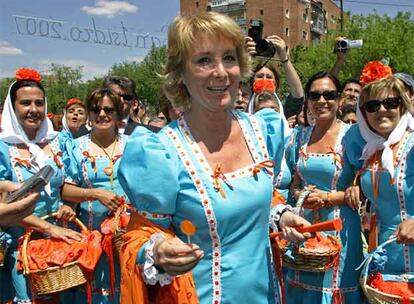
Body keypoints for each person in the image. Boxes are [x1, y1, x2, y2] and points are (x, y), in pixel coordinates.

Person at [118, 12, 310, 304]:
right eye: (204, 60)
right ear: (181, 73)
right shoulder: (162, 151)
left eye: (229, 58)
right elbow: (139, 235)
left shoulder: (263, 131)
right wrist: (156, 253)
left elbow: (259, 197)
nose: (220, 71)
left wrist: (280, 216)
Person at [0, 68, 81, 303]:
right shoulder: (4, 149)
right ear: (12, 107)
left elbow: (67, 185)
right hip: (23, 245)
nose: (33, 110)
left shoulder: (59, 141)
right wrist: (48, 228)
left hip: (62, 240)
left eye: (39, 102)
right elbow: (5, 208)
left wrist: (69, 206)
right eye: (25, 103)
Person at [287, 71, 364, 303]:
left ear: (340, 100)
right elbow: (294, 182)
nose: (322, 101)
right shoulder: (298, 137)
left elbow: (364, 188)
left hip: (341, 227)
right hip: (306, 225)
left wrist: (330, 197)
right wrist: (301, 195)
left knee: (337, 288)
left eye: (329, 95)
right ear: (308, 101)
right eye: (315, 95)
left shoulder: (354, 136)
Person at [61, 88, 129, 304]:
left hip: (126, 236)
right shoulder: (76, 147)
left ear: (118, 114)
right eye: (95, 109)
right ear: (89, 115)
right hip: (89, 236)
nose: (102, 114)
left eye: (108, 109)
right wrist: (94, 193)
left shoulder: (133, 145)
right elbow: (65, 189)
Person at [344, 76, 414, 287]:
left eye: (390, 103)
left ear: (402, 105)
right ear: (363, 113)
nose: (381, 110)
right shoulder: (369, 148)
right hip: (383, 262)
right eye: (373, 105)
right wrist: (355, 186)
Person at [246, 34, 304, 120]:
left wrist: (284, 58)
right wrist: (243, 58)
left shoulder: (282, 108)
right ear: (252, 81)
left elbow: (298, 95)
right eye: (260, 76)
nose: (264, 80)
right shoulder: (244, 104)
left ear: (276, 83)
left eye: (269, 77)